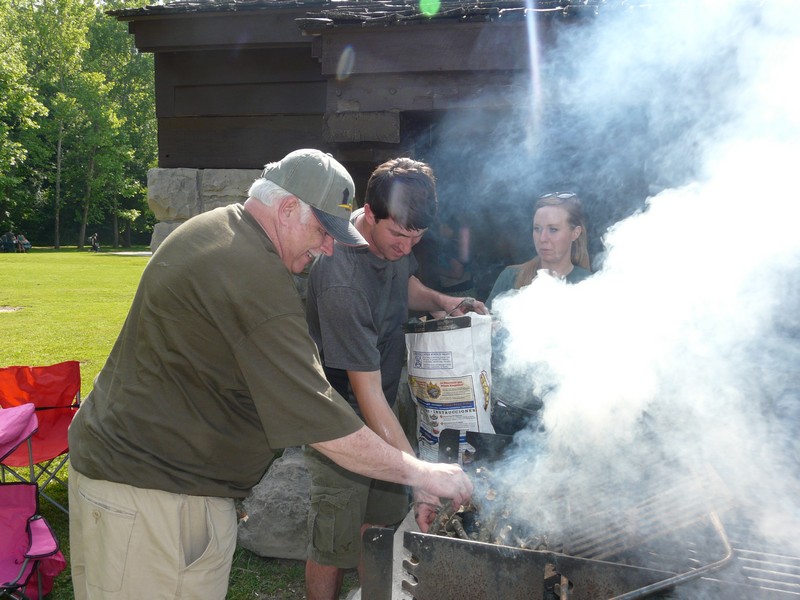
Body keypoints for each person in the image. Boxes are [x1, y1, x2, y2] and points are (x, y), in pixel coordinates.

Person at [67, 149, 473, 600]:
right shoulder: (254, 277)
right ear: (285, 209)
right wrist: (423, 474)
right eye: (322, 231)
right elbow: (319, 419)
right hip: (157, 501)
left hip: (126, 481)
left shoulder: (220, 228)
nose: (328, 247)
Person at [303, 157, 488, 600]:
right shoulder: (341, 280)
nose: (406, 248)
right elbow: (364, 395)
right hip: (338, 415)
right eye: (399, 236)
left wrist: (442, 300)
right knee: (334, 540)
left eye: (416, 238)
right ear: (369, 214)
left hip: (381, 404)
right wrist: (422, 474)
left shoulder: (392, 243)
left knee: (380, 527)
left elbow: (404, 284)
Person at [486, 191, 592, 435]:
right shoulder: (511, 278)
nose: (543, 238)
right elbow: (481, 342)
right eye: (537, 229)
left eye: (553, 230)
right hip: (507, 415)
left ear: (575, 233)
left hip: (567, 417)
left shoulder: (590, 286)